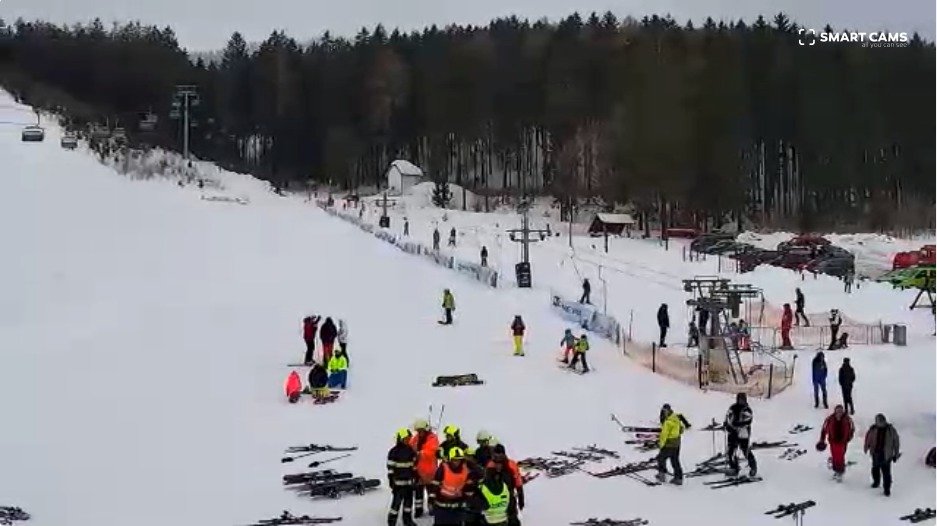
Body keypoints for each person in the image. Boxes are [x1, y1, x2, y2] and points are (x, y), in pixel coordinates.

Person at [430, 447, 474, 526]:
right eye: (454, 460)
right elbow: (435, 485)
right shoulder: (443, 468)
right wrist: (431, 500)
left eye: (459, 460)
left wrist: (468, 501)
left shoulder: (466, 470)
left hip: (457, 508)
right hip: (442, 507)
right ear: (450, 459)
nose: (456, 462)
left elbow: (469, 487)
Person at [863, 414, 900, 496]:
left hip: (886, 455)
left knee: (886, 473)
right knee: (875, 469)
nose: (879, 423)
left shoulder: (891, 430)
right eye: (877, 421)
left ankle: (887, 489)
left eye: (880, 421)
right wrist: (866, 446)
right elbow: (868, 438)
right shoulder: (873, 429)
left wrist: (896, 454)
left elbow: (896, 442)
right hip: (875, 453)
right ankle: (876, 482)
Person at [409, 419, 440, 518]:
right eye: (418, 431)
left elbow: (432, 451)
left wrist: (419, 453)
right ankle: (418, 510)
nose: (420, 432)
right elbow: (410, 446)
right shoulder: (415, 438)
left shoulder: (433, 438)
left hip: (430, 472)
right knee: (418, 493)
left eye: (421, 430)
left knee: (432, 493)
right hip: (418, 472)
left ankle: (432, 509)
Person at [387, 428, 419, 526]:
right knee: (395, 505)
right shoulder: (394, 451)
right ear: (401, 438)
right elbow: (390, 468)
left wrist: (416, 475)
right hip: (398, 485)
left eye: (409, 438)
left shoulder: (411, 450)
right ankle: (392, 522)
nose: (408, 440)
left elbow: (413, 465)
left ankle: (407, 520)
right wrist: (391, 480)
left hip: (409, 484)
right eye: (406, 438)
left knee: (408, 505)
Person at [724, 393, 758, 477]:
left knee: (745, 451)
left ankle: (753, 467)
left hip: (743, 434)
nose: (741, 401)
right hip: (732, 433)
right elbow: (728, 417)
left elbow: (747, 421)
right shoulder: (732, 408)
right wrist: (726, 425)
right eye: (739, 399)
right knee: (731, 451)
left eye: (742, 399)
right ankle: (733, 468)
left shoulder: (747, 409)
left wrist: (737, 425)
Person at [818, 404, 855, 482]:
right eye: (837, 411)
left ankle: (840, 471)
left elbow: (852, 429)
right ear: (835, 411)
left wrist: (849, 437)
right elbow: (824, 430)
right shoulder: (829, 419)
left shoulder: (848, 419)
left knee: (840, 456)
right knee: (835, 456)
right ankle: (836, 470)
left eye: (840, 411)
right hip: (833, 441)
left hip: (842, 442)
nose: (839, 413)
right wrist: (822, 440)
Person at [656, 404, 685, 484]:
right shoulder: (676, 418)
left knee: (660, 458)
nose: (664, 413)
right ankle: (678, 478)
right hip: (677, 443)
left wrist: (661, 445)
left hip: (669, 444)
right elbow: (682, 429)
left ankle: (661, 475)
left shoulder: (668, 422)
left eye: (664, 411)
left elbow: (664, 435)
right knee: (675, 460)